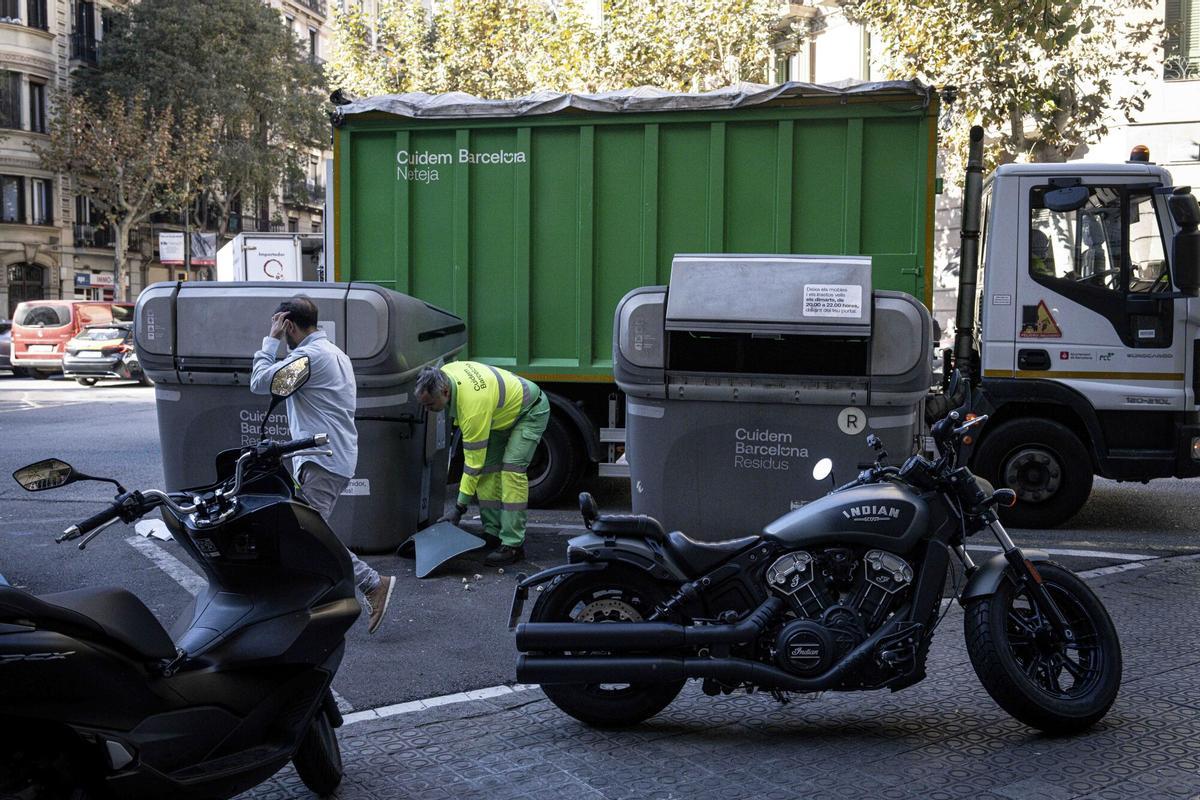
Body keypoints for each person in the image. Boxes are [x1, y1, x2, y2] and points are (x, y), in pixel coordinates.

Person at [250, 296, 395, 634]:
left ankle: (372, 584)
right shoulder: (334, 354)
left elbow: (261, 383)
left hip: (322, 460)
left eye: (280, 326)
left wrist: (270, 340)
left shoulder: (309, 359)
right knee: (305, 533)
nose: (279, 332)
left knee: (310, 537)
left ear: (287, 324)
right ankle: (309, 600)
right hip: (330, 457)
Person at [415, 362, 550, 566]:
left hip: (529, 411)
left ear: (444, 391)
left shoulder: (473, 409)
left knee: (511, 472)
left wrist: (459, 508)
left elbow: (472, 466)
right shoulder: (446, 373)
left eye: (430, 405)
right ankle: (492, 532)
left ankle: (513, 545)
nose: (427, 410)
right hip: (499, 415)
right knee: (489, 470)